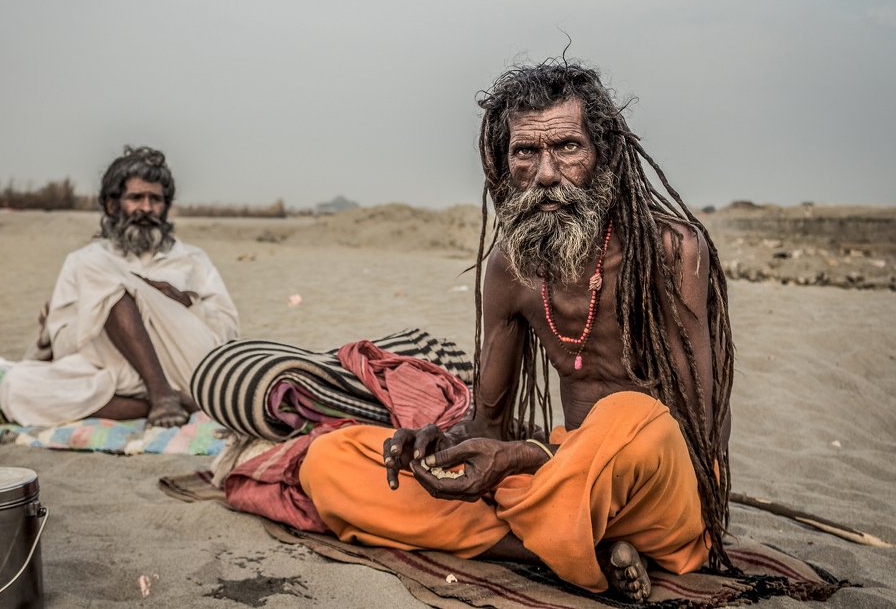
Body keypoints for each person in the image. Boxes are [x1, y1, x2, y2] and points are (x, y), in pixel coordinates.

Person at [298, 60, 734, 602]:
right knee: (332, 460)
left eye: (568, 148)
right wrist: (441, 442)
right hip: (557, 473)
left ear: (606, 156)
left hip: (657, 485)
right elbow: (490, 423)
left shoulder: (672, 251)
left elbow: (691, 431)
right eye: (526, 152)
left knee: (630, 414)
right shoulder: (510, 269)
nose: (547, 173)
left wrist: (532, 459)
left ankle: (560, 537)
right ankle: (563, 549)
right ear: (503, 167)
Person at [0, 146, 240, 428]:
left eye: (155, 199)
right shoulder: (82, 261)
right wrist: (99, 314)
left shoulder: (192, 259)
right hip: (116, 370)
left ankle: (163, 393)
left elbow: (228, 331)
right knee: (16, 387)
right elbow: (63, 346)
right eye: (136, 197)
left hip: (183, 364)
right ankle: (162, 399)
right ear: (113, 205)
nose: (147, 208)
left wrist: (184, 303)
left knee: (100, 272)